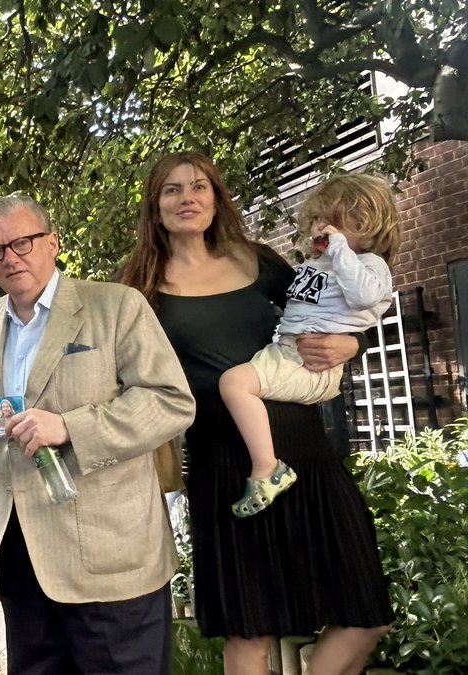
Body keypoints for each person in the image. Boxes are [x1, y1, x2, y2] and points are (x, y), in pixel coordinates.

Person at [120, 152, 393, 673]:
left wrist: (351, 344)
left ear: (216, 198)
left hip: (303, 443)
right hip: (223, 460)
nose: (188, 198)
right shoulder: (137, 283)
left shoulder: (258, 259)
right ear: (155, 208)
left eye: (199, 186)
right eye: (172, 190)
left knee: (365, 612)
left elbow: (333, 308)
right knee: (250, 630)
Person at [0, 194, 195, 674]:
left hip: (109, 556)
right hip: (22, 558)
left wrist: (70, 427)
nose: (9, 257)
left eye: (22, 242)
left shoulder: (116, 306)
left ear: (52, 242)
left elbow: (170, 402)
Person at [220, 174, 401, 517]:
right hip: (287, 352)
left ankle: (267, 470)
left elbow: (365, 299)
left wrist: (353, 343)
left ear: (365, 221)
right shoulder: (322, 266)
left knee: (234, 384)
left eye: (330, 220)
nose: (320, 227)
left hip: (308, 363)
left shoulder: (367, 265)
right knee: (237, 383)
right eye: (316, 219)